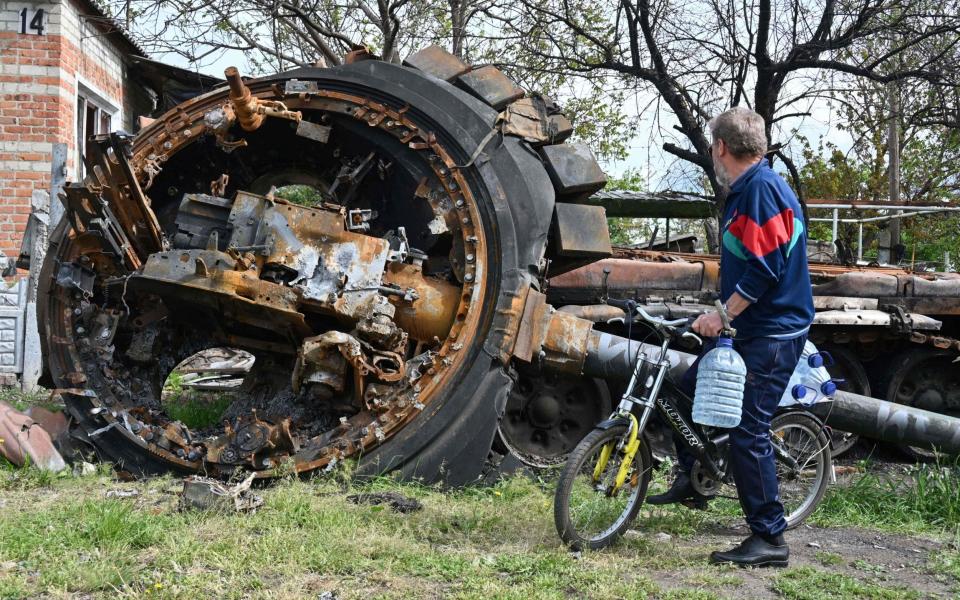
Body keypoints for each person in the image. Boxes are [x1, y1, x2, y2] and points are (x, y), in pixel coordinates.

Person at [646, 107, 815, 568]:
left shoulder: (761, 190)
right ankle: (691, 476)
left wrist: (721, 314)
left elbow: (765, 269)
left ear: (720, 147)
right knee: (681, 390)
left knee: (748, 430)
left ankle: (770, 538)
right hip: (750, 327)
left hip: (773, 331)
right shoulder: (747, 188)